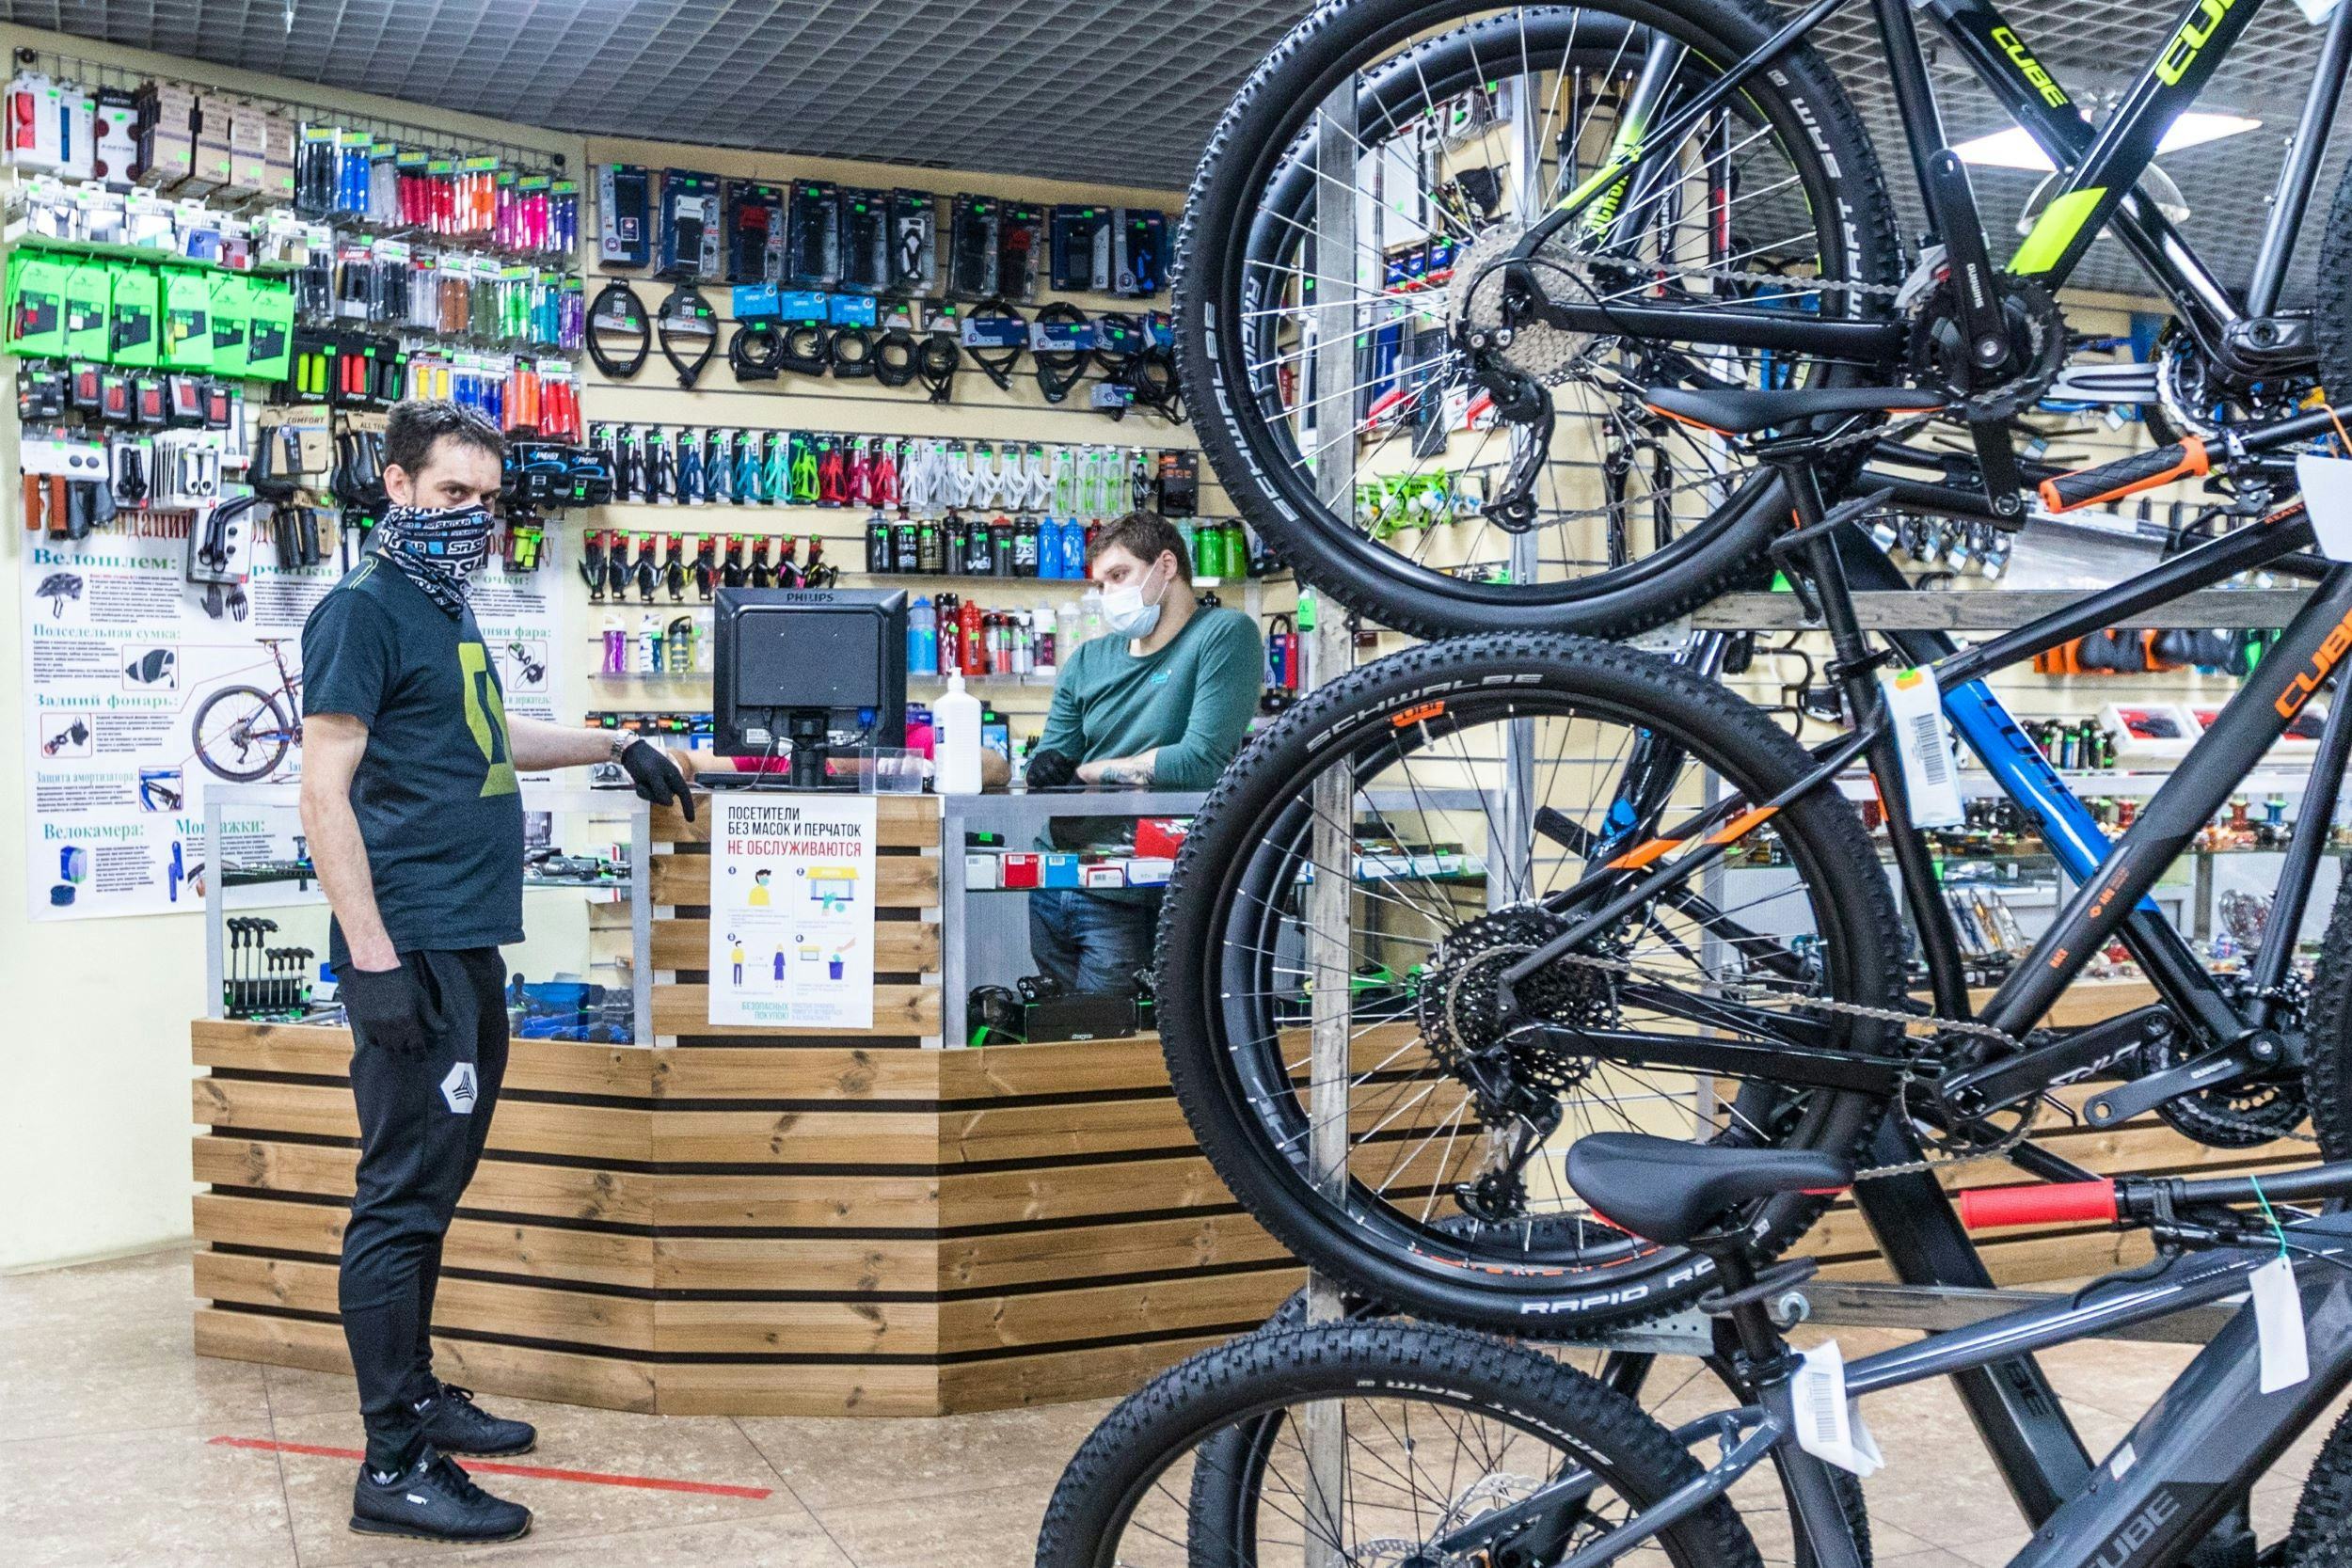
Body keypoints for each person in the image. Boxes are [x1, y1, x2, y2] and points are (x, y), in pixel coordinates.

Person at [299, 399, 698, 1546]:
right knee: (400, 1196)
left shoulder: (443, 605)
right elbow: (323, 791)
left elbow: (482, 736)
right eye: (450, 494)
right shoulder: (362, 610)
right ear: (395, 485)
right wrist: (372, 962)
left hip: (464, 937)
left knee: (437, 1186)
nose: (472, 516)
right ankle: (393, 1460)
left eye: (486, 497)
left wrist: (614, 740)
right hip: (408, 943)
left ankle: (418, 1392)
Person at [1027, 511, 1263, 997]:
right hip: (1054, 878)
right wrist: (1045, 766)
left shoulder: (1223, 635)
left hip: (1135, 884)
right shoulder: (1090, 659)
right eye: (1100, 585)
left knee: (1108, 1049)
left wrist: (1087, 771)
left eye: (1119, 576)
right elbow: (1055, 755)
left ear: (1166, 566)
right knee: (1054, 1047)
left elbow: (1200, 762)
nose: (1108, 594)